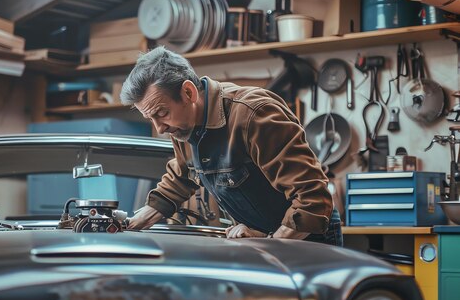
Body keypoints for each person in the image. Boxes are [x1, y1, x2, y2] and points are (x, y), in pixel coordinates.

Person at [120, 46, 342, 246]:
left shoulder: (254, 114)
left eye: (162, 113)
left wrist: (269, 242)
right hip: (260, 239)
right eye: (151, 119)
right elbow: (182, 175)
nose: (159, 128)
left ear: (189, 93)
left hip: (305, 238)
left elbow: (312, 199)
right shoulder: (182, 126)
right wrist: (129, 224)